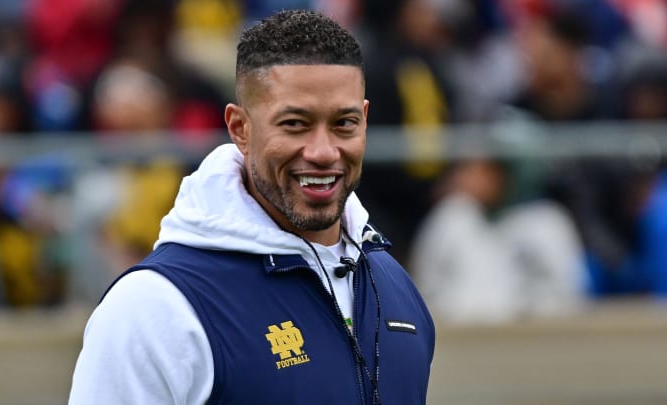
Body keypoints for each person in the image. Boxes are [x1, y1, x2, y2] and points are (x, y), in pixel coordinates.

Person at [69, 9, 435, 405]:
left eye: (343, 124)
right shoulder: (152, 307)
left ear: (364, 120)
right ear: (240, 129)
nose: (323, 151)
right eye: (295, 123)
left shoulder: (392, 284)